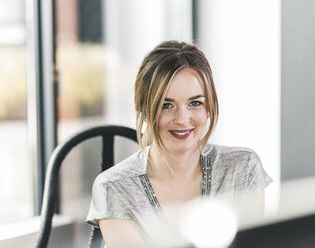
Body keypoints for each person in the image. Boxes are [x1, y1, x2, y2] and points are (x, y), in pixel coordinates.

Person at [86, 40, 272, 247]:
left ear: (209, 106)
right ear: (144, 109)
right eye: (166, 105)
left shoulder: (242, 169)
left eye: (195, 103)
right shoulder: (114, 187)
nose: (182, 119)